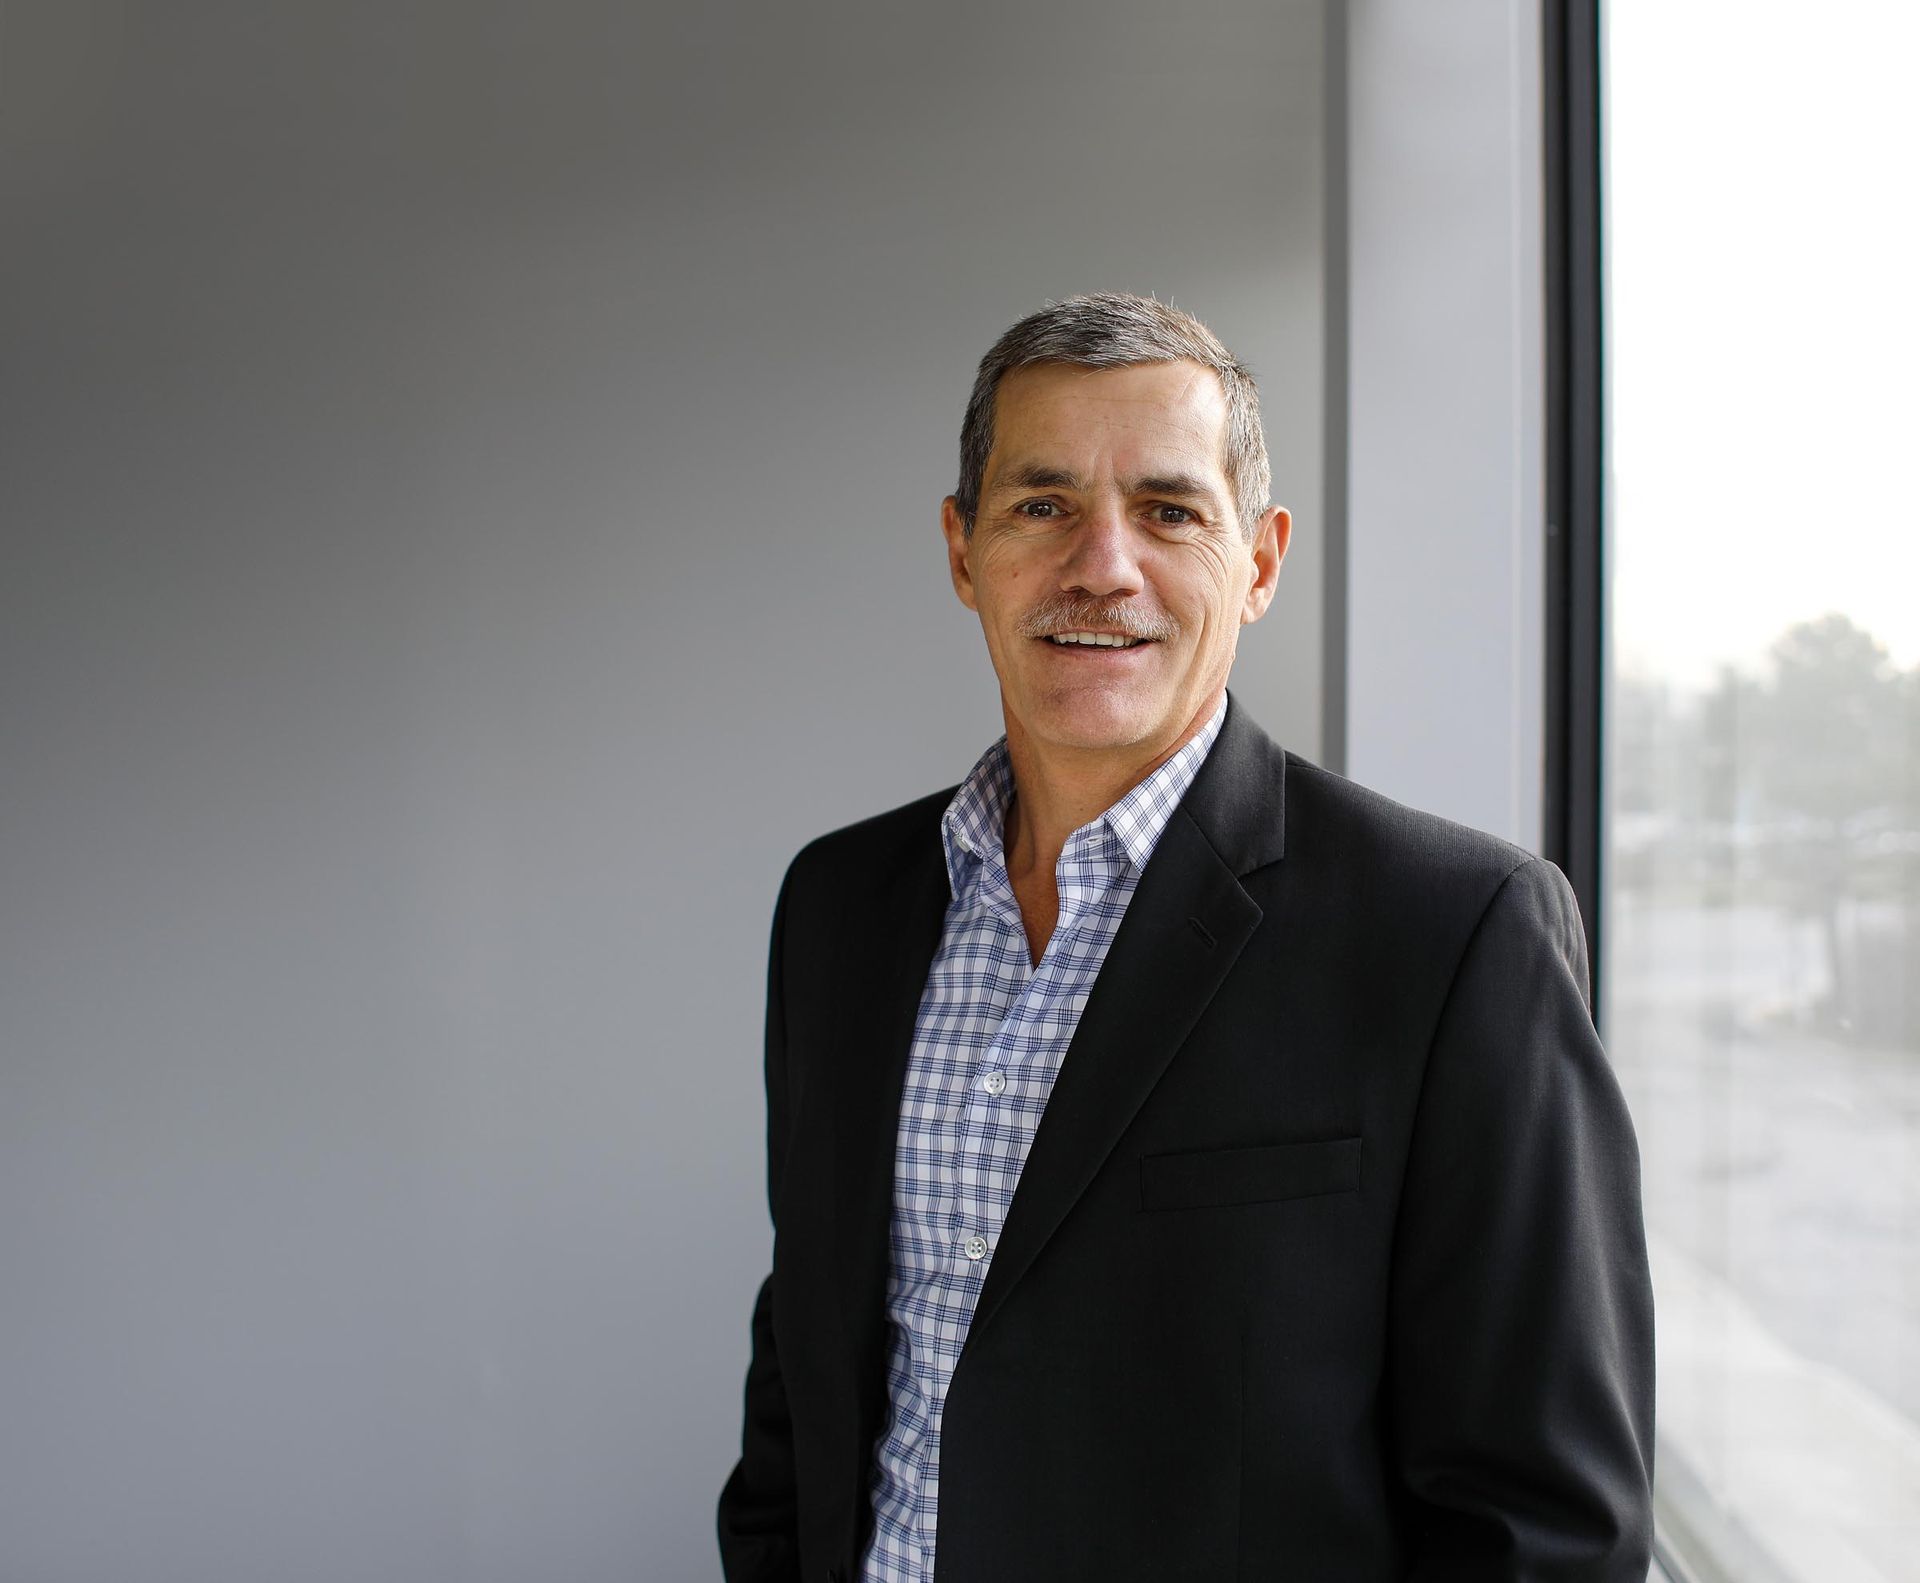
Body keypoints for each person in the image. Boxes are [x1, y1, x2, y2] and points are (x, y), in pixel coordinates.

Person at [717, 293, 1654, 1582]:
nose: (1103, 565)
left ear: (1258, 561)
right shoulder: (838, 907)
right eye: (1042, 505)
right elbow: (805, 1380)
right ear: (962, 551)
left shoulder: (1452, 936)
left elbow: (1550, 1528)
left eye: (1169, 510)